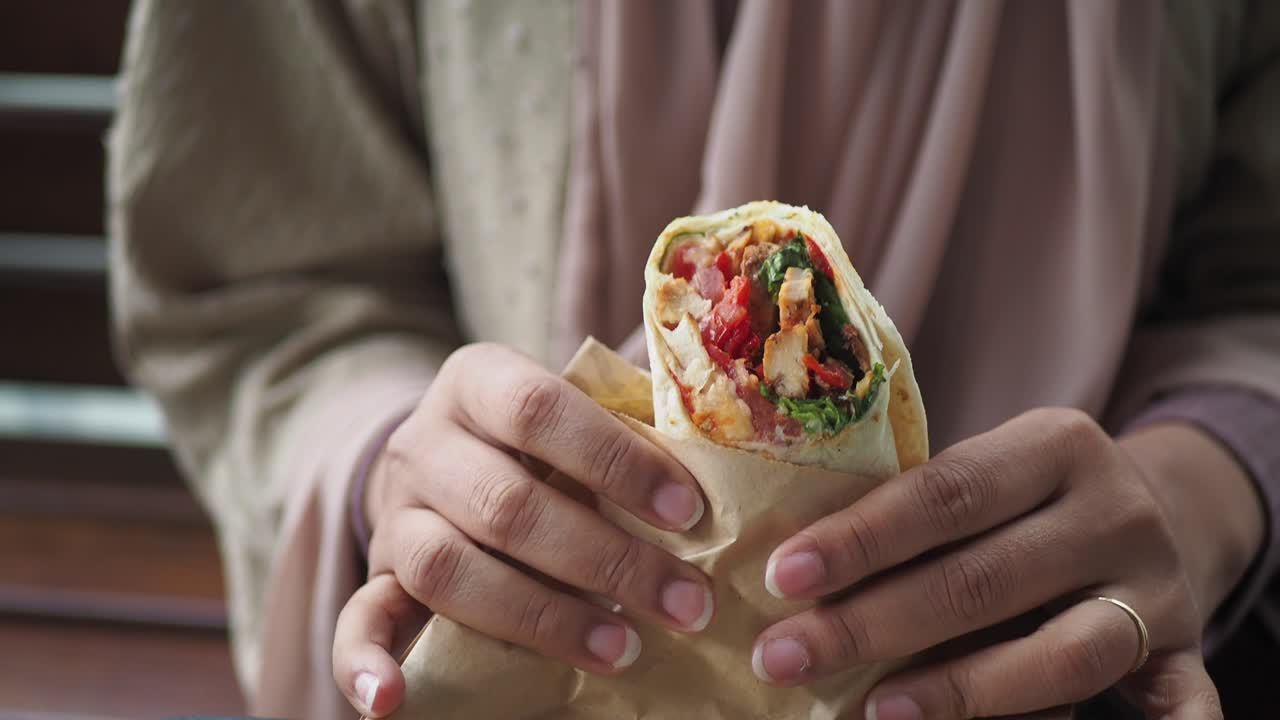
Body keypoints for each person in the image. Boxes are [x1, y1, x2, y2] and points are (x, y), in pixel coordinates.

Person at [108, 2, 1279, 719]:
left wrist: (1200, 486)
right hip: (549, 660)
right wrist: (414, 475)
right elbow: (258, 277)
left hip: (1061, 672)